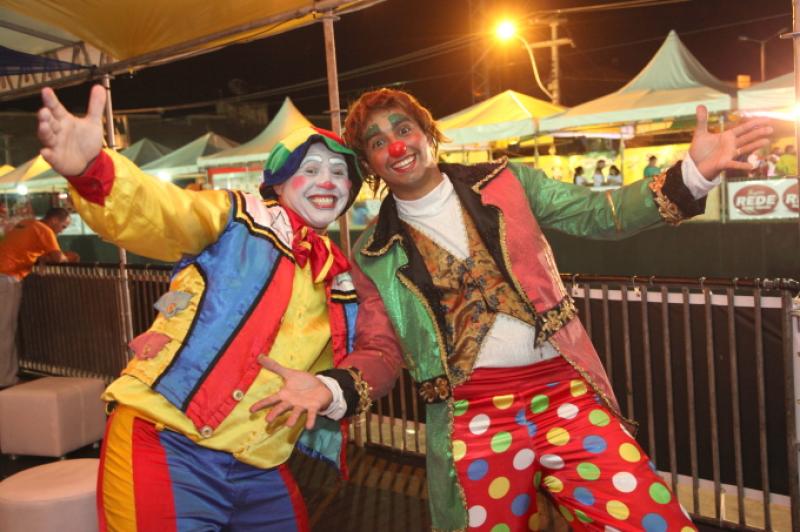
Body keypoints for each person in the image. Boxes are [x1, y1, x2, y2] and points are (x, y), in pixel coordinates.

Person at [267, 88, 771, 531]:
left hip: (566, 394)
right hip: (470, 418)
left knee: (649, 519)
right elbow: (380, 349)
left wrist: (692, 175)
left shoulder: (506, 182)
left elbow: (602, 214)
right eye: (378, 142)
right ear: (369, 163)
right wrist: (333, 386)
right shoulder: (373, 254)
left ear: (427, 133)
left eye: (404, 129)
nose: (396, 146)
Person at [36, 85, 401, 531]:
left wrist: (331, 387)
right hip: (166, 439)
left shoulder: (343, 275)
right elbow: (165, 212)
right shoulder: (236, 218)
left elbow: (378, 350)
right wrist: (94, 170)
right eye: (310, 169)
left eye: (340, 173)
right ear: (279, 181)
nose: (327, 181)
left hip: (260, 460)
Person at [0, 207, 76, 388]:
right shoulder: (45, 230)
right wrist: (71, 257)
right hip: (7, 278)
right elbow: (59, 258)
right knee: (5, 331)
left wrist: (42, 257)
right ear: (54, 220)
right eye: (63, 226)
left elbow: (23, 250)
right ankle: (6, 379)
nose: (61, 231)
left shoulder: (26, 223)